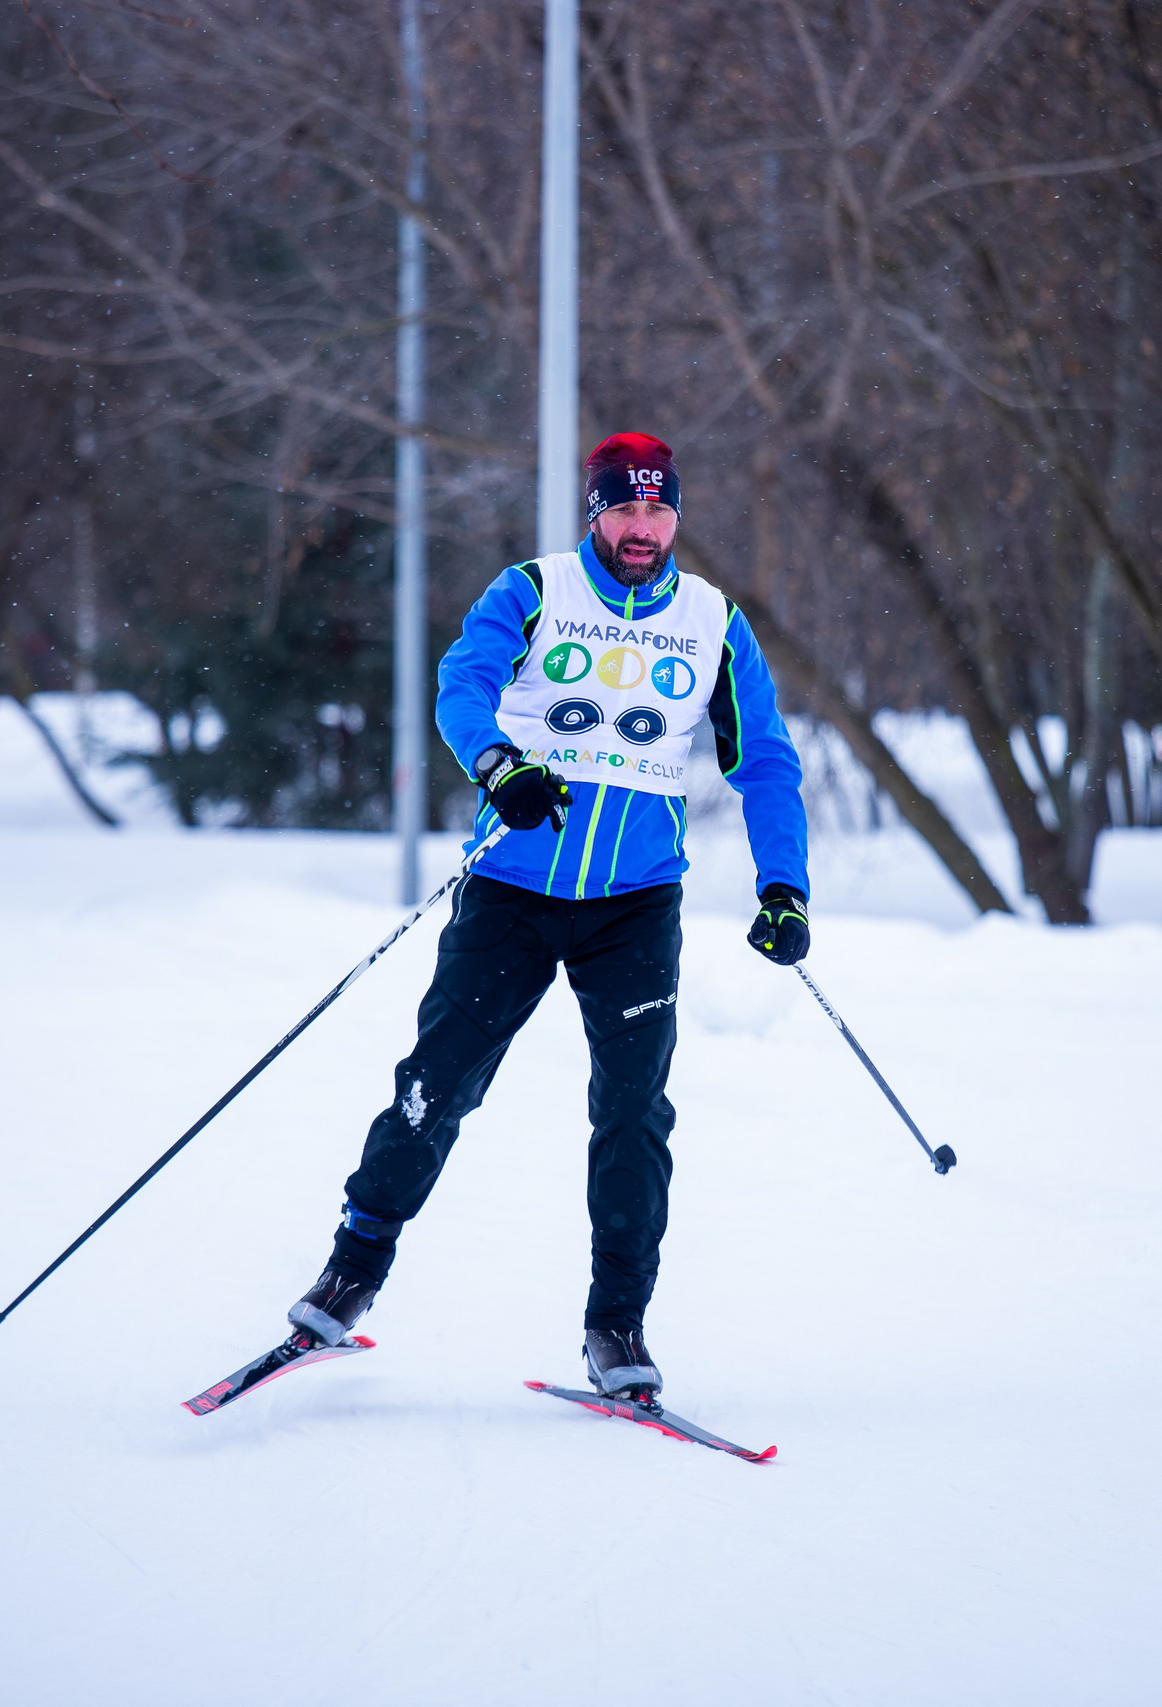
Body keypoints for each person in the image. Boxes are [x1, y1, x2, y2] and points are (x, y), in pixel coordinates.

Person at [282, 432, 812, 1401]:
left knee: (631, 1116)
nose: (641, 528)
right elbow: (461, 687)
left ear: (676, 517)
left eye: (658, 511)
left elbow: (765, 763)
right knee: (436, 1085)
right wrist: (498, 765)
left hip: (634, 907)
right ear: (594, 514)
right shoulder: (532, 590)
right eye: (624, 510)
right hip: (512, 893)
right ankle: (352, 1270)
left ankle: (616, 1326)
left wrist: (785, 885)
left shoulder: (712, 622)